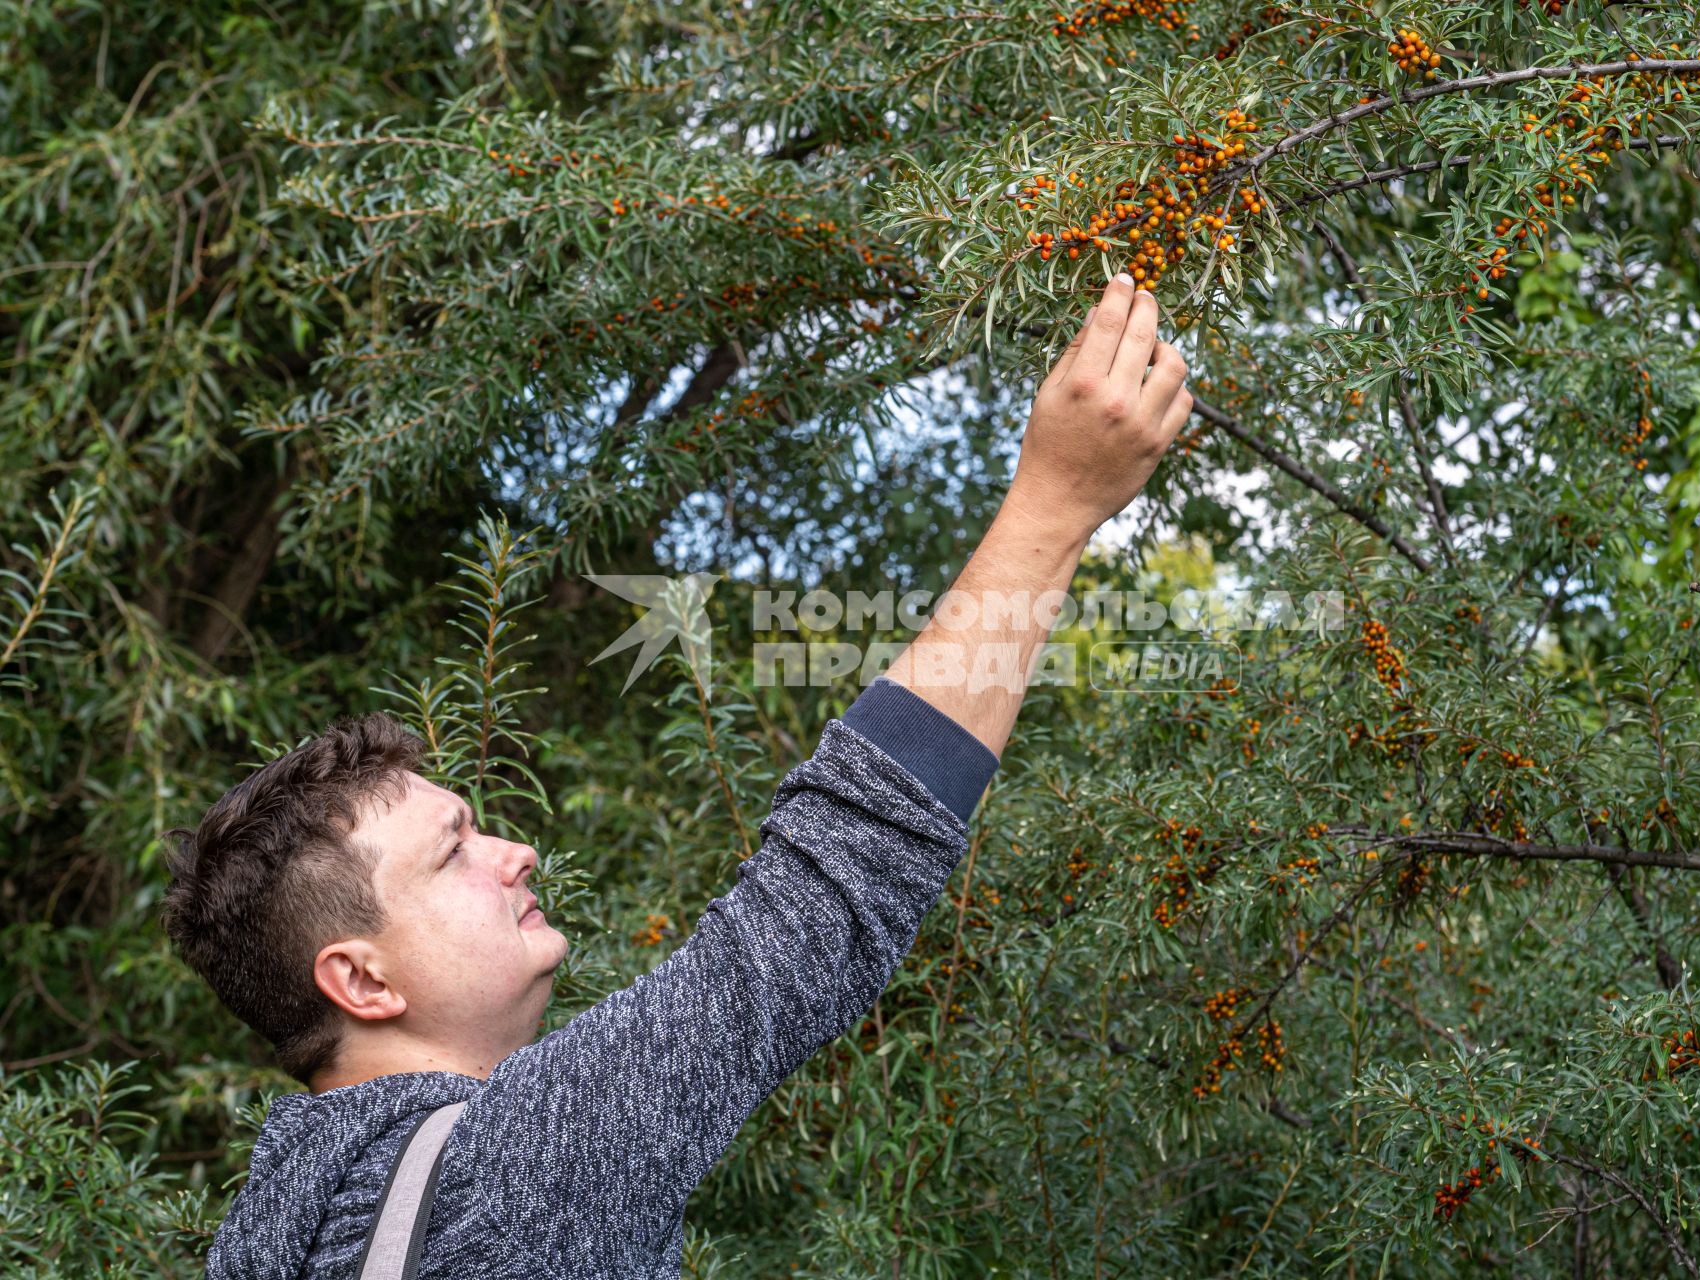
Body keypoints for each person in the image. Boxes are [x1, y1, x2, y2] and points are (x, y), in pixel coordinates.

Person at [163, 273, 1191, 1278]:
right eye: (454, 851)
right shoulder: (515, 1170)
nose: (517, 852)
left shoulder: (268, 1231)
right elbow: (826, 893)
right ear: (359, 979)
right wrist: (1054, 505)